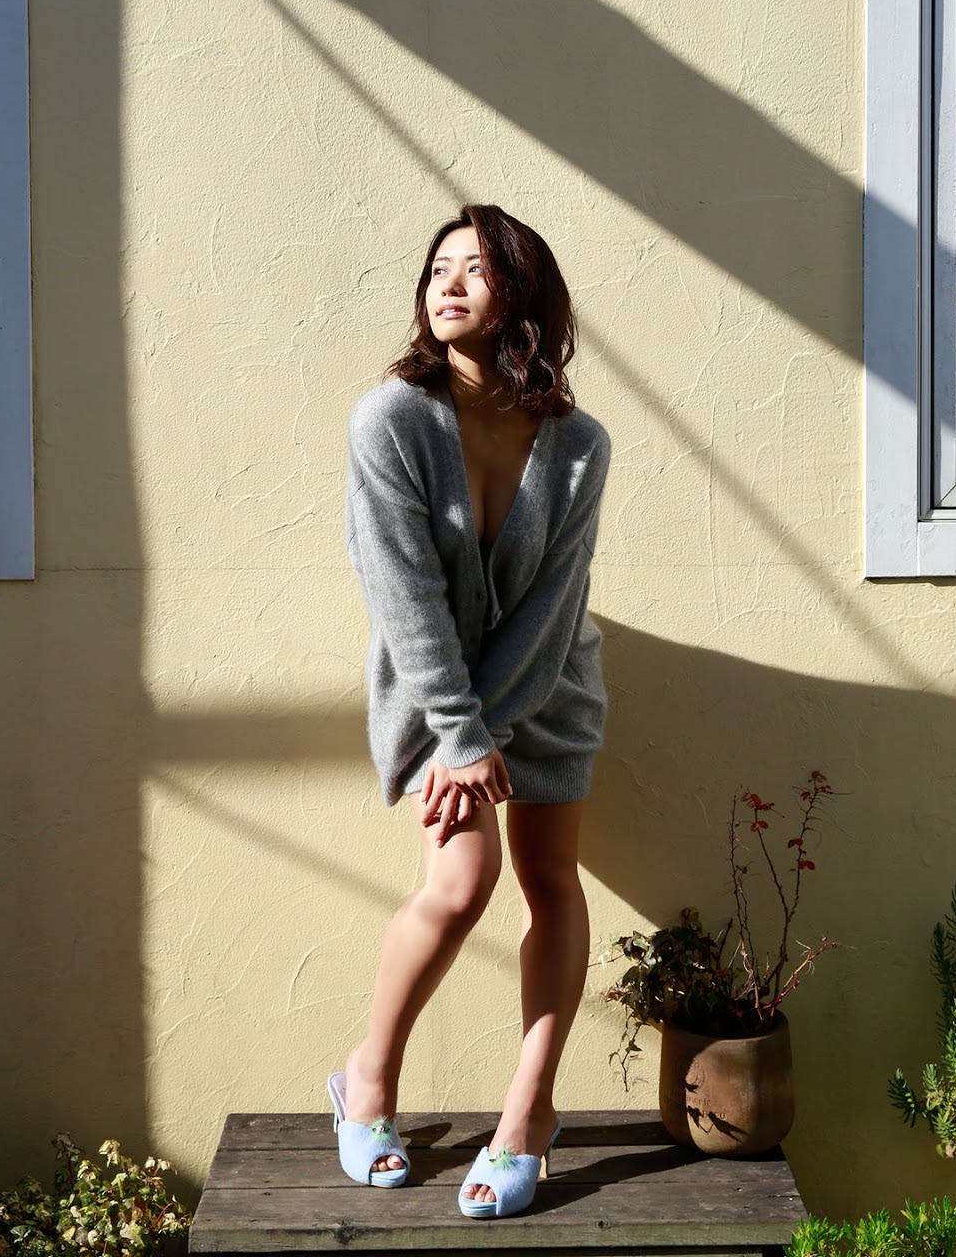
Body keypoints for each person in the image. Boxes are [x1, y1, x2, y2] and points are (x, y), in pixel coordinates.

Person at [332, 203, 612, 1219]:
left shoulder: (578, 444)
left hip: (550, 684)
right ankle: (366, 1078)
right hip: (434, 691)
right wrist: (459, 735)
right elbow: (400, 591)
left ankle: (529, 1112)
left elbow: (555, 603)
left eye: (476, 268)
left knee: (549, 879)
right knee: (461, 881)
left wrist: (489, 731)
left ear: (522, 296)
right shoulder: (390, 420)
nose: (446, 283)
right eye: (437, 268)